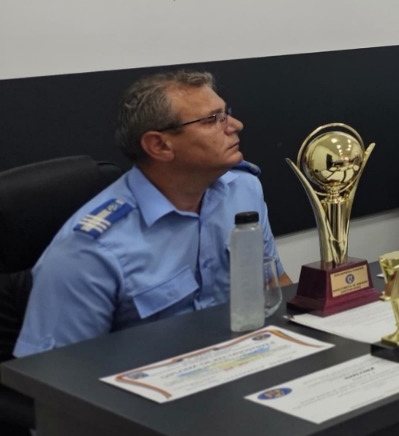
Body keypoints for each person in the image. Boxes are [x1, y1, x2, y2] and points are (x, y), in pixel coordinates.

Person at [14, 70, 290, 356]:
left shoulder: (243, 189)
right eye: (212, 119)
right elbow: (55, 373)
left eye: (226, 113)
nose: (235, 125)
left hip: (241, 360)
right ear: (159, 145)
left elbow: (274, 286)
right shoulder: (87, 250)